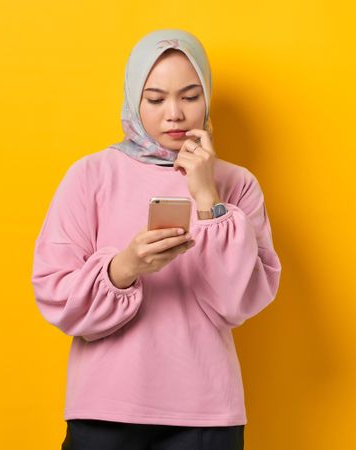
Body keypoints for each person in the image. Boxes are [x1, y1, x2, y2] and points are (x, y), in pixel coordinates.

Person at [30, 28, 282, 450]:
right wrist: (125, 268)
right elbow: (54, 292)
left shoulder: (237, 184)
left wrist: (206, 196)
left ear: (206, 96)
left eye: (189, 96)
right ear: (134, 98)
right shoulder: (90, 176)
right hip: (106, 409)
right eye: (155, 98)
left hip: (206, 414)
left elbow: (238, 304)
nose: (175, 114)